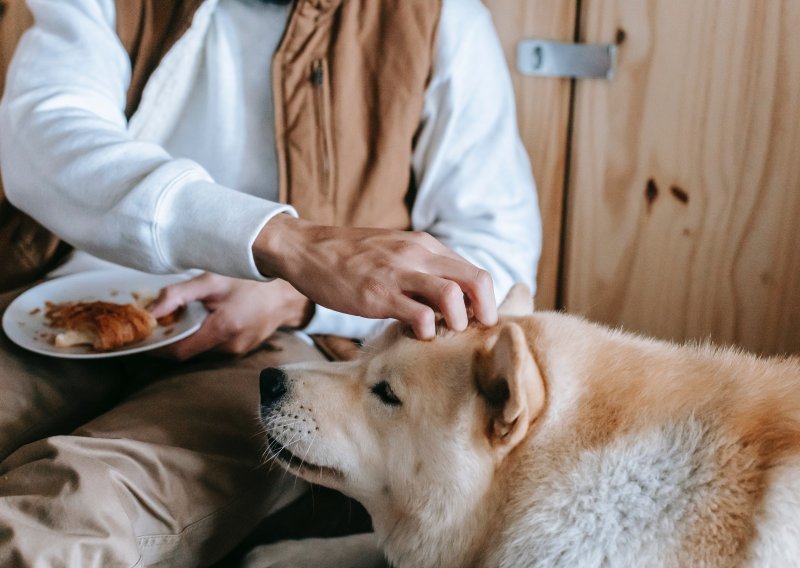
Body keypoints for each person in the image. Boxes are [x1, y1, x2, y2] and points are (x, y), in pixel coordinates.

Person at [0, 0, 541, 565]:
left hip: (283, 350)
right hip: (61, 307)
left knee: (70, 512)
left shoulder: (438, 18)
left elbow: (492, 262)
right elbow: (45, 132)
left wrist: (295, 298)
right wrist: (283, 244)